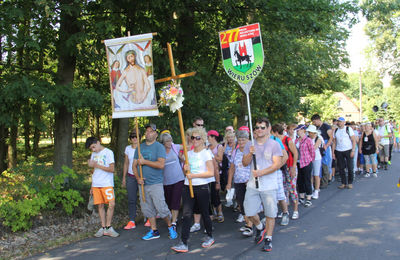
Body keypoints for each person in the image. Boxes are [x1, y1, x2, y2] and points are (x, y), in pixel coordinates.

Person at [171, 127, 215, 253]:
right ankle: (183, 242)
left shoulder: (206, 153)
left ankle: (210, 236)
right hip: (187, 186)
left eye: (197, 138)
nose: (194, 140)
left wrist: (193, 175)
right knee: (186, 214)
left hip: (201, 186)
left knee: (205, 212)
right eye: (192, 137)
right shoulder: (188, 153)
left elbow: (211, 172)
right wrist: (186, 169)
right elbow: (186, 172)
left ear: (203, 139)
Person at [242, 117, 283, 252]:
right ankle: (260, 227)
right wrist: (250, 153)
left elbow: (277, 164)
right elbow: (245, 163)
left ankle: (268, 238)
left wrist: (262, 172)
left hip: (269, 185)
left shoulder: (274, 144)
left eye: (262, 127)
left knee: (270, 214)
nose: (259, 130)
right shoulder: (250, 144)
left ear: (268, 129)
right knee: (249, 212)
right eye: (257, 127)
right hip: (253, 185)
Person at [133, 123, 177, 240]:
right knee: (147, 209)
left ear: (156, 134)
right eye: (146, 131)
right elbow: (134, 166)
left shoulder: (159, 147)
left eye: (151, 131)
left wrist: (145, 162)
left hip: (155, 183)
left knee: (161, 208)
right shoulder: (139, 147)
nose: (148, 133)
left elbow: (161, 165)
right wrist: (138, 178)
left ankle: (170, 226)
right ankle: (154, 230)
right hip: (143, 184)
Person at [85, 137, 119, 238]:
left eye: (94, 147)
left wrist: (97, 165)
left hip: (107, 183)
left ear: (98, 142)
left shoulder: (108, 152)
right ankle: (103, 227)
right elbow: (93, 170)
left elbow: (112, 169)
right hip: (96, 183)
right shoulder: (93, 154)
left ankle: (109, 227)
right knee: (100, 205)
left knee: (111, 204)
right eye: (91, 149)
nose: (93, 150)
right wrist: (92, 185)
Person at [226, 130, 252, 232]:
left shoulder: (251, 151)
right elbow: (232, 168)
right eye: (239, 140)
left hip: (249, 182)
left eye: (243, 140)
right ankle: (248, 223)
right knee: (241, 203)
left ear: (248, 140)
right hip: (238, 181)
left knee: (249, 203)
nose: (241, 142)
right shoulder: (235, 152)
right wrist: (229, 183)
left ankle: (250, 225)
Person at [159, 132, 185, 228]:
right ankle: (174, 216)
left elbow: (188, 146)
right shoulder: (160, 151)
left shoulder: (175, 147)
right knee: (169, 201)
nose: (170, 143)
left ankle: (174, 222)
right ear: (163, 142)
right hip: (166, 181)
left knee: (175, 200)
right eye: (167, 141)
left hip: (178, 178)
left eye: (171, 140)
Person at [332, 117, 356, 189]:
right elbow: (334, 142)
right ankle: (343, 182)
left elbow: (353, 140)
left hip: (348, 149)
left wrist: (353, 150)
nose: (339, 123)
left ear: (344, 122)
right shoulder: (336, 130)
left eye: (340, 121)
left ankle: (350, 182)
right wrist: (333, 152)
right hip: (339, 150)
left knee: (350, 167)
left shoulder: (348, 129)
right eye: (338, 121)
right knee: (341, 168)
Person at [122, 131, 139, 230]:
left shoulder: (142, 147)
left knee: (144, 198)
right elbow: (126, 163)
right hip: (131, 176)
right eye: (132, 137)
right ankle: (132, 220)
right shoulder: (128, 148)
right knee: (131, 199)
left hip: (140, 176)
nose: (134, 138)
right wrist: (124, 178)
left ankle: (149, 218)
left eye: (136, 136)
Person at [311, 114, 333, 189]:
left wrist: (326, 146)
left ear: (318, 119)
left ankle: (325, 181)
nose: (314, 123)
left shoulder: (326, 126)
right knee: (319, 166)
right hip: (319, 146)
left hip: (325, 146)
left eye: (314, 121)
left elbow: (331, 138)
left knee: (325, 164)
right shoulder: (316, 127)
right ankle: (319, 182)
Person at [295, 125, 315, 206]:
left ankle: (309, 198)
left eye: (298, 130)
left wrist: (310, 160)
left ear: (303, 130)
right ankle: (302, 197)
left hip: (306, 162)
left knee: (307, 180)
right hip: (298, 162)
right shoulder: (296, 140)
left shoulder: (308, 140)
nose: (297, 132)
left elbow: (312, 151)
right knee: (300, 180)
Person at [207, 130, 224, 222]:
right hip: (209, 172)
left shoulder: (219, 146)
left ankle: (220, 212)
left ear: (213, 137)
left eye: (208, 137)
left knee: (216, 193)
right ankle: (213, 211)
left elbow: (220, 159)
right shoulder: (208, 146)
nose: (207, 138)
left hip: (217, 172)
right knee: (210, 194)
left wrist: (210, 153)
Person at [306, 125, 323, 199]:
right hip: (309, 158)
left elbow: (314, 148)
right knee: (310, 175)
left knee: (316, 175)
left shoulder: (318, 138)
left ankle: (316, 190)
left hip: (316, 158)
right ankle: (312, 188)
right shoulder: (307, 138)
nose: (309, 133)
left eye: (310, 132)